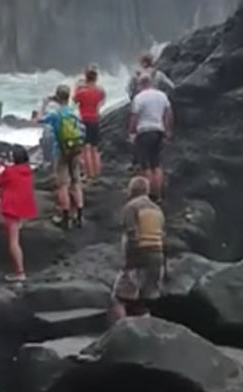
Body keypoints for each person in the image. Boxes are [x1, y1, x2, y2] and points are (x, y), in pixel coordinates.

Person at [112, 176, 166, 320]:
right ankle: (145, 330)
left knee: (119, 298)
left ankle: (122, 330)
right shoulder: (157, 209)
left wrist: (127, 263)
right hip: (157, 256)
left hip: (139, 254)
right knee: (144, 301)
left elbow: (132, 234)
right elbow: (162, 235)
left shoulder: (131, 207)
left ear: (132, 190)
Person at [42, 85, 85, 229]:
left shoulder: (55, 114)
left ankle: (65, 218)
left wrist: (44, 103)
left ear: (57, 97)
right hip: (75, 150)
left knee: (62, 185)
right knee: (76, 183)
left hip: (60, 151)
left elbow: (37, 120)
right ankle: (79, 216)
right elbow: (82, 132)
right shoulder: (74, 113)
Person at [0, 146, 37, 281]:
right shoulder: (27, 171)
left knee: (13, 242)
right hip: (23, 207)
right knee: (15, 235)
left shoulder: (9, 172)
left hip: (11, 207)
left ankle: (20, 272)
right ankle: (19, 271)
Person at [128, 74, 173, 200]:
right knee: (156, 164)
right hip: (158, 131)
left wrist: (131, 132)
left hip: (144, 132)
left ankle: (147, 194)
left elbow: (134, 116)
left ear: (140, 84)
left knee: (145, 165)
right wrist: (168, 130)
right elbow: (168, 113)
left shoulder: (139, 98)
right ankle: (157, 194)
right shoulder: (162, 95)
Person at [73, 67, 106, 179]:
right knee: (95, 148)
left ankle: (88, 174)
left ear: (86, 78)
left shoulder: (82, 92)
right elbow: (103, 98)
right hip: (95, 120)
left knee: (86, 148)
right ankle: (97, 172)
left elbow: (74, 100)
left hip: (84, 120)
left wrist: (77, 87)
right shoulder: (99, 92)